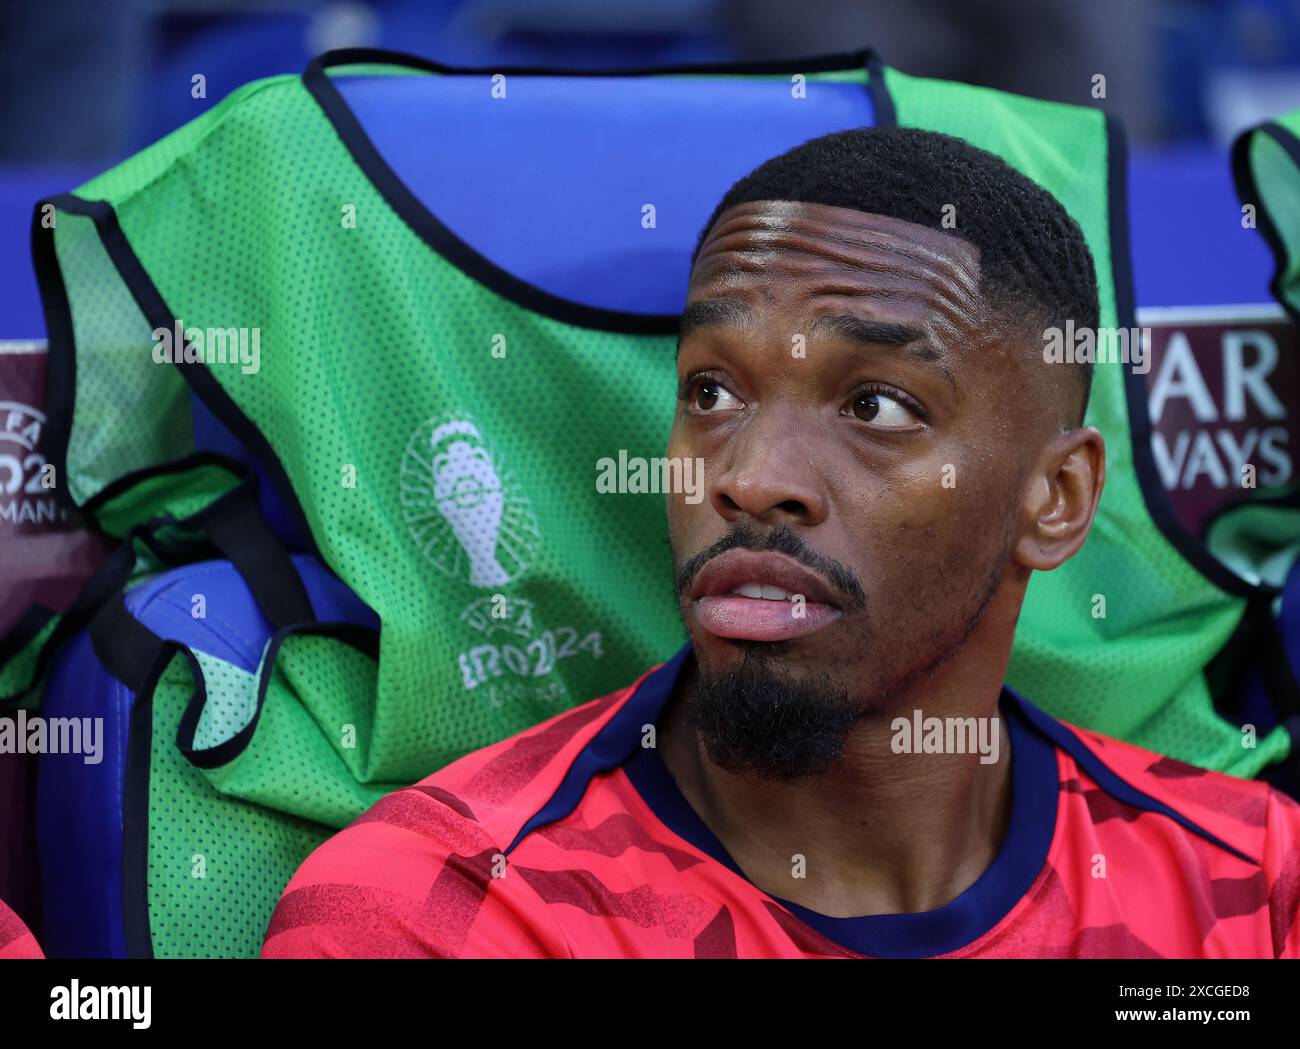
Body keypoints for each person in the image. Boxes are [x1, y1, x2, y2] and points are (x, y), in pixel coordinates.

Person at [262, 127, 1300, 959]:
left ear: (1056, 498)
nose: (749, 475)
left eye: (876, 405)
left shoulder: (1251, 887)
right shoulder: (437, 912)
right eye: (711, 390)